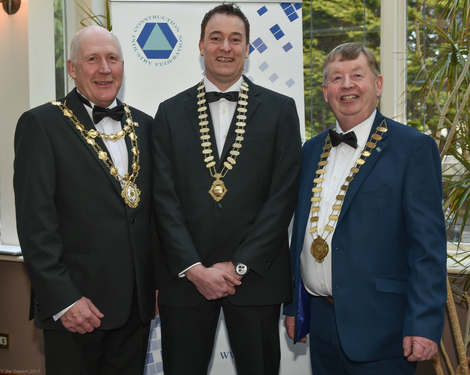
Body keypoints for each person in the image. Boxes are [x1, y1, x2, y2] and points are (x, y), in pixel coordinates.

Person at [152, 3, 302, 374]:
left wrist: (239, 266)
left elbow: (281, 198)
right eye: (216, 38)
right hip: (187, 281)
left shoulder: (281, 110)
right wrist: (194, 268)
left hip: (256, 281)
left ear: (248, 48)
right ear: (200, 45)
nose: (225, 47)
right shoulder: (169, 112)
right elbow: (163, 199)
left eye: (236, 39)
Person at [284, 42, 447, 374]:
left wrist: (424, 323)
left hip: (384, 329)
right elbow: (302, 232)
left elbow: (427, 247)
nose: (347, 85)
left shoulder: (413, 148)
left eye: (357, 75)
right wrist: (294, 306)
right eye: (337, 78)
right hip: (323, 323)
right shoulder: (310, 151)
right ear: (326, 91)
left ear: (378, 84)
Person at [14, 25, 158, 375]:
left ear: (124, 66)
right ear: (73, 68)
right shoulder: (40, 124)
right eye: (92, 59)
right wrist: (64, 300)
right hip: (77, 309)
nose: (104, 69)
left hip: (135, 310)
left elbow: (153, 216)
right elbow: (36, 224)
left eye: (112, 59)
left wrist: (154, 285)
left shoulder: (146, 125)